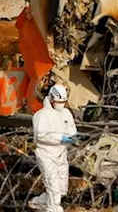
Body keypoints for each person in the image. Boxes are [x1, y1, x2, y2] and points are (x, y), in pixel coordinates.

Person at [29, 83, 78, 211]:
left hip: (61, 154)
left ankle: (37, 203)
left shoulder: (66, 113)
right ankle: (53, 209)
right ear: (51, 100)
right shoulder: (41, 115)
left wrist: (73, 137)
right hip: (46, 154)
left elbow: (72, 130)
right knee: (53, 187)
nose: (60, 104)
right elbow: (41, 136)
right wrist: (60, 138)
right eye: (58, 102)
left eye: (63, 102)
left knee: (61, 190)